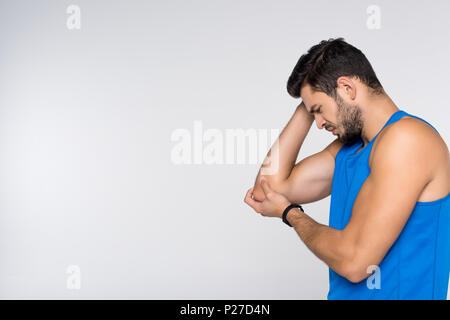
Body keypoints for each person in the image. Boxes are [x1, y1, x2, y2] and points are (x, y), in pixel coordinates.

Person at [244, 38, 450, 300]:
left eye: (318, 111)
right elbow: (266, 190)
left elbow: (356, 263)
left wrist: (291, 214)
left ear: (347, 88)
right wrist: (307, 105)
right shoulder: (349, 149)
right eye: (312, 114)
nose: (318, 124)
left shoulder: (408, 139)